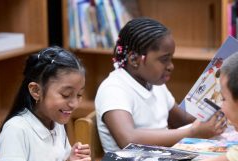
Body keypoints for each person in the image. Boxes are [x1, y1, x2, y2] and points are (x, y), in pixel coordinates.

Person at [95, 17, 226, 152]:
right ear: (134, 59)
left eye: (171, 59)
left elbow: (182, 119)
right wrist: (193, 133)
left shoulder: (154, 84)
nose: (171, 66)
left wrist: (219, 106)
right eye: (164, 60)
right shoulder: (114, 89)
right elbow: (128, 139)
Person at [0, 47, 91, 161]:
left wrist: (69, 160)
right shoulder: (16, 130)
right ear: (36, 91)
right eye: (66, 95)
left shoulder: (56, 120)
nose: (74, 104)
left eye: (79, 95)